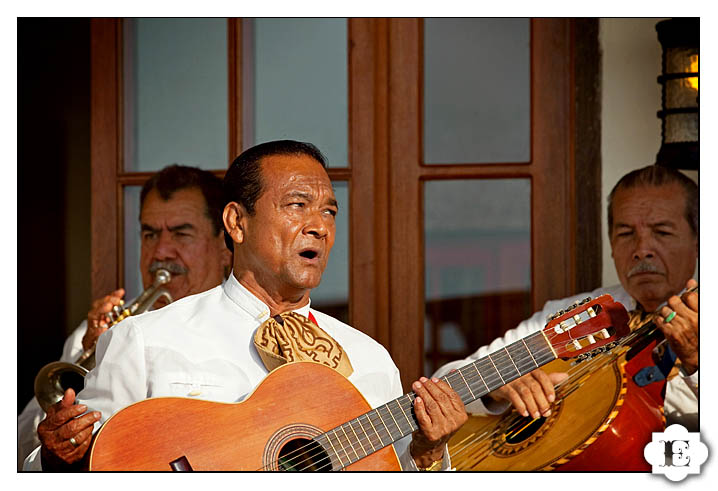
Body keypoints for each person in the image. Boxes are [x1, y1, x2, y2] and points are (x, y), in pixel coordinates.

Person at [25, 140, 467, 471]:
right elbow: (75, 466)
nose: (318, 226)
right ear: (237, 222)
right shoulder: (142, 338)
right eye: (297, 205)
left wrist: (429, 451)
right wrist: (57, 453)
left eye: (330, 212)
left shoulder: (371, 360)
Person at [434, 164, 698, 433]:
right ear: (611, 246)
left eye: (662, 232)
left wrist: (698, 364)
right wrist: (496, 383)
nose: (642, 250)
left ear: (698, 242)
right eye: (626, 234)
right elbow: (441, 386)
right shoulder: (579, 314)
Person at [18, 165, 232, 470]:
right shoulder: (97, 331)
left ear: (225, 246)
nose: (161, 252)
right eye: (150, 234)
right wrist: (87, 361)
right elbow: (21, 447)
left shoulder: (241, 324)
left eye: (182, 234)